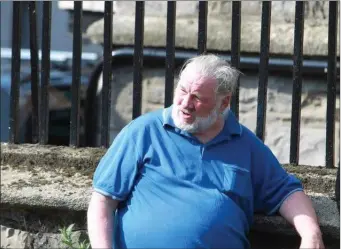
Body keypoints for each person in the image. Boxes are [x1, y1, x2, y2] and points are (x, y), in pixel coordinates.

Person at [87, 54, 324, 249]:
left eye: (198, 97)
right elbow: (102, 201)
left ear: (224, 103)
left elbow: (286, 192)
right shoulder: (143, 131)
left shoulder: (245, 145)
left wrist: (311, 234)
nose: (185, 103)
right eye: (182, 91)